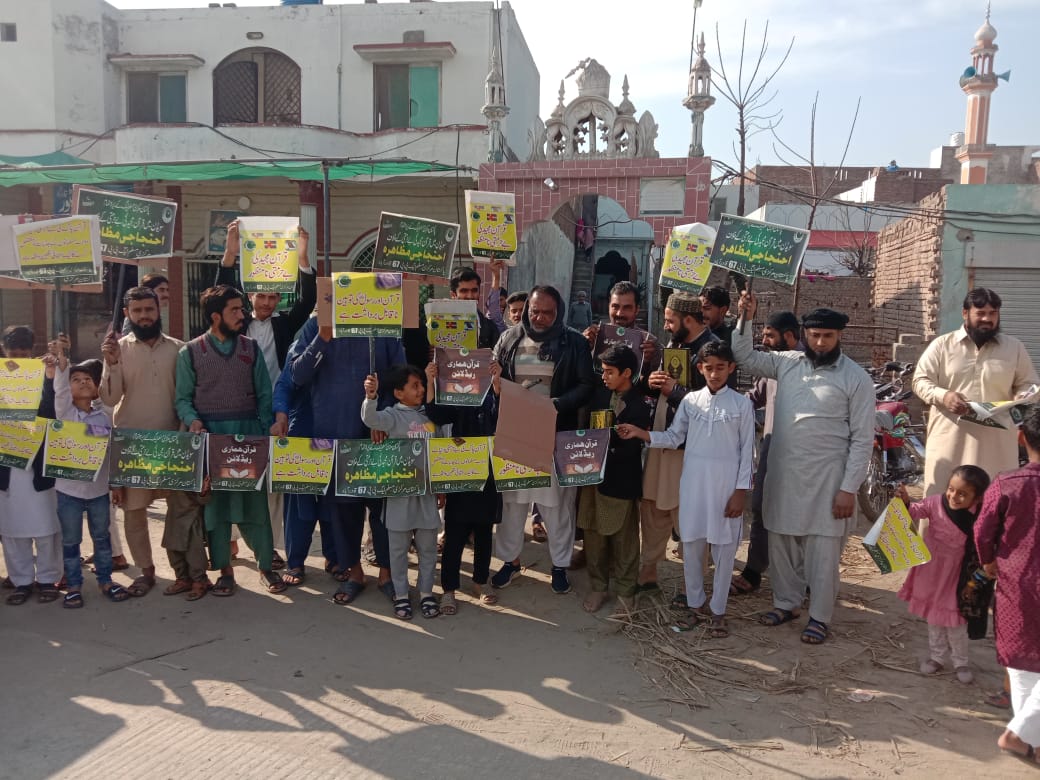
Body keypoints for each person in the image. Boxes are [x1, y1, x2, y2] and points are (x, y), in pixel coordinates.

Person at [734, 294, 875, 645]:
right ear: (804, 335)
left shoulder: (856, 379)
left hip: (829, 481)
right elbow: (745, 357)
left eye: (828, 336)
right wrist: (744, 318)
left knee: (822, 553)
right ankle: (786, 603)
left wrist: (848, 487)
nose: (821, 342)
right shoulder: (787, 363)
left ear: (839, 336)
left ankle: (819, 616)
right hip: (784, 474)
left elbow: (862, 439)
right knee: (781, 540)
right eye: (814, 335)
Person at [620, 341, 754, 638]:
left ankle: (718, 610)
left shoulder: (741, 404)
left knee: (724, 551)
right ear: (700, 369)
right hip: (693, 486)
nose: (715, 373)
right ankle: (696, 605)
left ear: (731, 368)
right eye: (709, 368)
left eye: (721, 367)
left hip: (725, 489)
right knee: (692, 547)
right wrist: (642, 434)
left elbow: (747, 452)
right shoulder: (691, 401)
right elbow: (673, 436)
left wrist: (740, 491)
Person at [175, 284, 285, 596]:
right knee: (217, 510)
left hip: (249, 438)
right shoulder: (191, 352)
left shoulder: (250, 349)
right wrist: (193, 421)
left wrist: (268, 433)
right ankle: (225, 571)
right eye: (235, 310)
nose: (243, 314)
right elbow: (182, 399)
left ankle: (266, 567)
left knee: (255, 507)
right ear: (215, 316)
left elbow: (265, 396)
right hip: (212, 442)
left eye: (241, 308)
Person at [219, 221, 316, 570]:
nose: (267, 301)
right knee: (235, 474)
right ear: (250, 296)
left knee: (275, 484)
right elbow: (218, 291)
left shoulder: (286, 323)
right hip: (237, 409)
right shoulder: (234, 323)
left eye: (273, 296)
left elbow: (309, 301)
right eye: (261, 295)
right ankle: (229, 540)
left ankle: (271, 546)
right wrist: (231, 252)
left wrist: (303, 258)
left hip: (276, 412)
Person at [289, 316, 404, 604]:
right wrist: (323, 338)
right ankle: (354, 573)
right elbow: (297, 375)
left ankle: (387, 575)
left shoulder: (384, 327)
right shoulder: (317, 325)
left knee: (383, 510)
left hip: (378, 437)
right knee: (343, 513)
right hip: (334, 435)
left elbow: (400, 377)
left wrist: (383, 416)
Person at [491, 285, 596, 595]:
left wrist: (556, 405)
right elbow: (494, 375)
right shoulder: (509, 338)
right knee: (513, 504)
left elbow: (586, 385)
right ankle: (510, 562)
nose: (539, 317)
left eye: (547, 313)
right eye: (534, 311)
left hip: (554, 433)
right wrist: (495, 383)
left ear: (558, 312)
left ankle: (559, 565)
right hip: (515, 433)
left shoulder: (573, 342)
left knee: (558, 507)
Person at [913, 288, 1038, 497]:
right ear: (965, 313)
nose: (987, 319)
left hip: (997, 444)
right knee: (941, 502)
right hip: (950, 441)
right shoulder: (942, 346)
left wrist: (1020, 401)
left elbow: (1030, 384)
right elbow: (920, 381)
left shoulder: (1014, 348)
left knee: (995, 502)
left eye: (992, 313)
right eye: (980, 313)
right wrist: (944, 396)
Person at [101, 286, 184, 596]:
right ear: (127, 314)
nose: (144, 316)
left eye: (149, 309)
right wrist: (110, 363)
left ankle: (182, 570)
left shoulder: (179, 348)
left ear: (158, 309)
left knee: (179, 512)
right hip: (133, 446)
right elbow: (109, 397)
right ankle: (146, 571)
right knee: (134, 514)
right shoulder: (117, 349)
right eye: (137, 311)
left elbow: (186, 397)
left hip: (173, 443)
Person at [636, 292, 719, 591]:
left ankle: (693, 583)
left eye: (671, 321)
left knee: (688, 512)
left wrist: (674, 391)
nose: (667, 326)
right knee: (653, 504)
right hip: (662, 442)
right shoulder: (675, 344)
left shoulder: (714, 352)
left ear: (687, 319)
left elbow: (715, 404)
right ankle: (648, 570)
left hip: (691, 451)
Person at [976, 405, 1040, 764]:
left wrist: (988, 562)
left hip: (1015, 585)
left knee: (1022, 665)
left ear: (1021, 438)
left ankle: (1028, 736)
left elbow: (983, 530)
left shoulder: (1007, 483)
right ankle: (1019, 734)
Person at [896, 465, 992, 684]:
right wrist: (905, 500)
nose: (954, 496)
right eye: (951, 489)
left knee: (956, 621)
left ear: (976, 498)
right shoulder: (935, 503)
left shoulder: (979, 516)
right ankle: (937, 656)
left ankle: (961, 661)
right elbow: (914, 511)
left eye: (962, 494)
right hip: (931, 572)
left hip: (958, 577)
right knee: (934, 618)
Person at [361, 366, 443, 620]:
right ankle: (402, 595)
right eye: (414, 386)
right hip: (398, 494)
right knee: (398, 550)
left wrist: (442, 489)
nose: (420, 390)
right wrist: (370, 397)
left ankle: (427, 593)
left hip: (427, 494)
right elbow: (370, 419)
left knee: (428, 548)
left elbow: (443, 453)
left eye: (421, 385)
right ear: (398, 393)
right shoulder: (392, 416)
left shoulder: (432, 415)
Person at [731, 311, 803, 597]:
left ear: (788, 336)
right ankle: (753, 570)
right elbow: (753, 397)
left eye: (769, 335)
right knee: (761, 509)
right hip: (771, 450)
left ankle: (801, 579)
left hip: (803, 456)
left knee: (800, 516)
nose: (764, 340)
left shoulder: (809, 366)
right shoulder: (772, 366)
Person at [424, 358, 503, 614]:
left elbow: (502, 417)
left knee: (483, 531)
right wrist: (431, 380)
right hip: (460, 466)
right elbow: (436, 414)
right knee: (455, 533)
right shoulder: (455, 393)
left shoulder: (492, 389)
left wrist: (497, 385)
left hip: (489, 468)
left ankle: (481, 581)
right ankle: (448, 589)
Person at [579, 344, 652, 614]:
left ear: (627, 373)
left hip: (621, 482)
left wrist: (607, 445)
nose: (604, 376)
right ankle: (598, 587)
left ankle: (626, 592)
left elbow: (632, 447)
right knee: (594, 538)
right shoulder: (598, 396)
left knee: (625, 542)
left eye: (610, 372)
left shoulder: (639, 405)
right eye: (603, 371)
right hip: (593, 480)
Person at [53, 352, 130, 607]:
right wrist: (63, 369)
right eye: (76, 379)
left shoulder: (103, 417)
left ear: (96, 386)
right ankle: (74, 585)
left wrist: (115, 484)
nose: (83, 382)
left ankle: (106, 580)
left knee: (102, 538)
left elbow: (111, 454)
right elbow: (61, 392)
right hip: (68, 492)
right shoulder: (64, 414)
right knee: (71, 541)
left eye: (88, 378)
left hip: (98, 492)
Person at [0, 326, 62, 606]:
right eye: (14, 353)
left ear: (32, 351)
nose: (20, 358)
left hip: (37, 463)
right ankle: (21, 581)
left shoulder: (43, 375)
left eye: (25, 353)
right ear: (4, 350)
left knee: (46, 526)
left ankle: (48, 579)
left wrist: (50, 378)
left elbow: (52, 412)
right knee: (12, 528)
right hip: (7, 465)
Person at [583, 281, 660, 379]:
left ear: (636, 310)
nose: (620, 314)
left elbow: (654, 388)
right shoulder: (594, 336)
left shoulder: (649, 343)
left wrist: (647, 364)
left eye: (627, 308)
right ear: (609, 306)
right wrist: (583, 348)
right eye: (615, 306)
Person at [162, 479, 212, 601]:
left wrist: (203, 492)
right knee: (172, 544)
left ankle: (200, 581)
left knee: (193, 548)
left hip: (192, 509)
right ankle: (183, 579)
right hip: (174, 505)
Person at [449, 266, 499, 350]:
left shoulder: (491, 328)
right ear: (453, 295)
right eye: (464, 291)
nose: (470, 296)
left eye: (474, 290)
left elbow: (497, 357)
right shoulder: (439, 325)